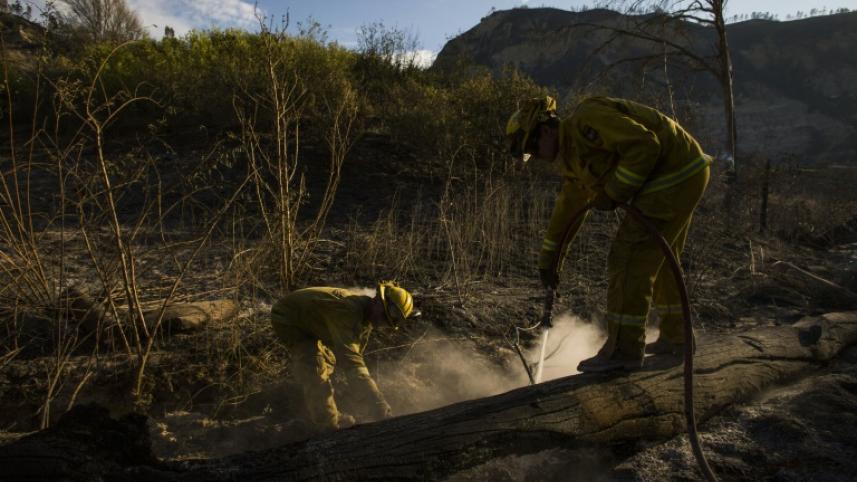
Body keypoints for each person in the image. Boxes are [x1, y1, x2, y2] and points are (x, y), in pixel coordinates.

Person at [506, 95, 711, 373]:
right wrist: (550, 259)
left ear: (544, 130)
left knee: (627, 259)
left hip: (673, 175)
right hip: (686, 172)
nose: (537, 158)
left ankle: (623, 352)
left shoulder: (586, 121)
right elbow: (567, 211)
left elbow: (645, 145)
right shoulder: (573, 159)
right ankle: (677, 339)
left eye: (532, 149)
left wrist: (614, 192)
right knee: (659, 259)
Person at [270, 281, 417, 430]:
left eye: (387, 322)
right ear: (378, 300)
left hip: (313, 322)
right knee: (315, 367)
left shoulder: (365, 318)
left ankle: (320, 409)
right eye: (383, 315)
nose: (381, 322)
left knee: (329, 362)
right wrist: (379, 406)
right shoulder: (348, 311)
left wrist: (362, 391)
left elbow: (354, 358)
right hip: (289, 318)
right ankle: (328, 425)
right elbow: (352, 362)